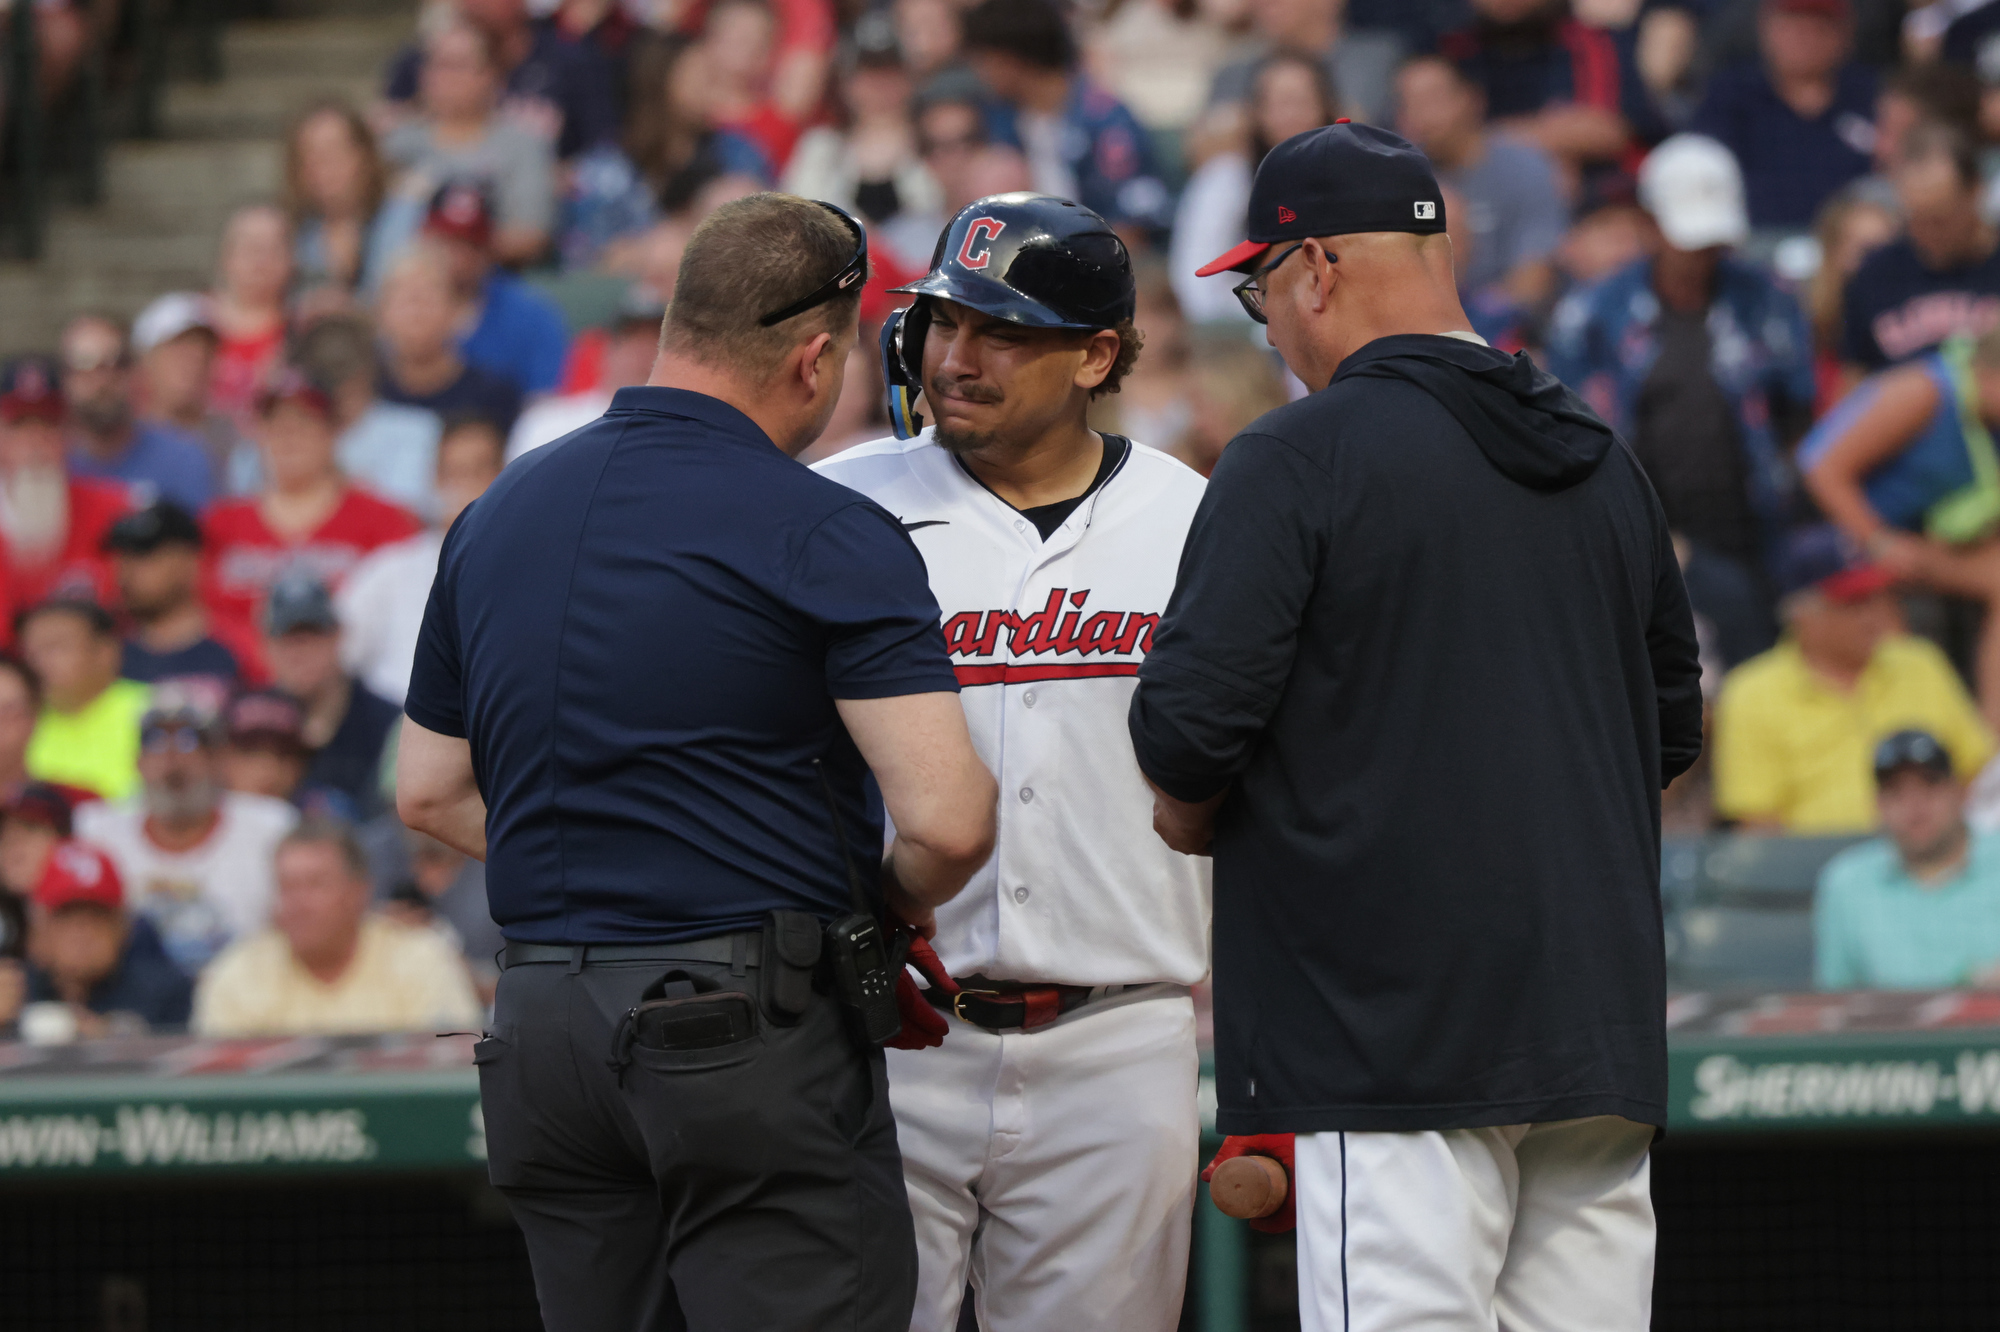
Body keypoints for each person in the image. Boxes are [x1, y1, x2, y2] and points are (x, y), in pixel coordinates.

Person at [1131, 123, 1704, 1329]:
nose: (1263, 324)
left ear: (1317, 270)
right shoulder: (1599, 457)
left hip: (1385, 1046)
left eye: (1257, 286)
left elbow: (1184, 737)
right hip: (1591, 1037)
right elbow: (1667, 736)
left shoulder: (1297, 454)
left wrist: (1198, 813)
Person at [395, 192, 997, 1330]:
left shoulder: (495, 512)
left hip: (538, 1037)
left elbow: (426, 793)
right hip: (737, 1033)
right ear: (814, 359)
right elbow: (950, 820)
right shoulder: (818, 524)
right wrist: (875, 912)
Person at [815, 193, 1210, 1332]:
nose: (958, 357)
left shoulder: (1196, 519)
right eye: (942, 323)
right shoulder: (842, 506)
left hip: (1118, 1033)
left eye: (1002, 331)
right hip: (886, 1033)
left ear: (1096, 355)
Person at [1546, 134, 1816, 578]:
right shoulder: (1590, 315)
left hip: (1758, 532)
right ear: (1649, 224)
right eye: (1689, 239)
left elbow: (1798, 415)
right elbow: (1567, 434)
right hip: (1637, 539)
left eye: (1713, 239)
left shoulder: (1770, 299)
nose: (1702, 254)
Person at [1714, 525, 1994, 833]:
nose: (1872, 615)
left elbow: (1976, 776)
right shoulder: (1751, 692)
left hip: (1932, 861)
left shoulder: (1918, 661)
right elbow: (1759, 829)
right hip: (1815, 875)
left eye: (1876, 596)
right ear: (1803, 615)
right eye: (1853, 603)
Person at [1801, 324, 2000, 727]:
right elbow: (1821, 468)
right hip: (1850, 542)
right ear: (1988, 374)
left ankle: (1989, 736)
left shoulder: (1983, 415)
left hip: (1921, 541)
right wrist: (1878, 541)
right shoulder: (1923, 391)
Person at [76, 680, 299, 975]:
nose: (172, 759)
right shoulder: (97, 831)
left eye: (189, 739)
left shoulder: (271, 827)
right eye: (154, 741)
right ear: (137, 761)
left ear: (219, 759)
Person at [192, 818, 480, 1036]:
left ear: (359, 892)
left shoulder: (421, 958)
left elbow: (449, 1068)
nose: (297, 904)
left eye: (315, 884)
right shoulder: (236, 974)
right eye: (286, 886)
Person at [199, 370, 423, 636]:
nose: (289, 435)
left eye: (303, 422)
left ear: (332, 433)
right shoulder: (219, 523)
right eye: (276, 424)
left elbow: (405, 614)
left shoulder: (384, 520)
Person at [958, 0, 1171, 235]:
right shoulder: (1001, 117)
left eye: (981, 60)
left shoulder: (1106, 121)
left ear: (1008, 59)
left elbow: (1133, 226)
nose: (978, 73)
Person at [1816, 728, 2000, 988]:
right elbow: (1834, 1003)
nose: (1914, 807)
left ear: (1959, 792)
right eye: (1896, 793)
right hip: (1889, 1027)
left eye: (1929, 785)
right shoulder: (1848, 884)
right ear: (1878, 805)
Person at [343, 414, 506, 702]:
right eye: (455, 472)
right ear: (436, 480)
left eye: (480, 470)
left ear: (505, 475)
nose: (467, 486)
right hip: (397, 726)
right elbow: (339, 655)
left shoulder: (532, 570)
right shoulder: (389, 570)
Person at [1172, 51, 1338, 325]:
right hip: (1248, 335)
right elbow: (1197, 290)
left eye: (1300, 101)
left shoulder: (1352, 178)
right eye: (1277, 103)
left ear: (1327, 106)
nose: (1290, 115)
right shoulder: (1225, 178)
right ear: (1255, 112)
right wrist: (1275, 320)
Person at [1395, 53, 1568, 315]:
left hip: (1511, 327)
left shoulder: (1524, 167)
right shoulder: (1399, 182)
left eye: (1434, 99)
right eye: (1410, 104)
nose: (1423, 116)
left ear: (1472, 99)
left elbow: (1535, 278)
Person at [380, 18, 560, 269]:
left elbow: (531, 235)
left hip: (492, 285)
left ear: (491, 74)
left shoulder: (523, 145)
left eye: (456, 65)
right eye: (435, 64)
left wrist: (456, 253)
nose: (442, 77)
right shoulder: (395, 143)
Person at [1689, 0, 1877, 232]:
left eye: (1819, 27)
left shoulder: (1872, 98)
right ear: (1765, 28)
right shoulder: (1730, 98)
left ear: (1845, 33)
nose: (1804, 37)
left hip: (1846, 248)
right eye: (1792, 25)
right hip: (1752, 246)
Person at [1842, 122, 2000, 382]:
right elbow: (1853, 386)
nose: (1927, 233)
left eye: (1940, 219)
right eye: (1915, 220)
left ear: (1975, 191)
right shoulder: (1874, 275)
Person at [1437, 0, 1661, 182]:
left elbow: (1606, 130)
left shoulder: (1585, 38)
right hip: (1485, 192)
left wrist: (1480, 142)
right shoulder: (1454, 50)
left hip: (1603, 190)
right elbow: (1436, 141)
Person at [382, 0, 620, 164]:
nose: (477, 5)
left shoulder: (571, 60)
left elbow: (603, 151)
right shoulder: (424, 60)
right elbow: (390, 130)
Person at [0, 356, 130, 625]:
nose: (35, 442)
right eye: (19, 426)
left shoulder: (114, 511)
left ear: (69, 433)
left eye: (49, 424)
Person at [261, 571, 401, 818]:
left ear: (339, 634)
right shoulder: (252, 725)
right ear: (267, 645)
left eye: (311, 635)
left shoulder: (387, 723)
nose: (298, 653)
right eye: (287, 639)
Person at [22, 839, 193, 1034]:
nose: (82, 933)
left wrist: (112, 1039)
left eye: (97, 916)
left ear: (122, 927)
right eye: (67, 917)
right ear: (40, 930)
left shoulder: (166, 994)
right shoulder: (16, 994)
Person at [420, 180, 571, 398]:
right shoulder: (402, 307)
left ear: (490, 246)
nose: (457, 258)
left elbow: (544, 407)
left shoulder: (531, 316)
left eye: (470, 243)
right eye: (445, 241)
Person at [59, 315, 216, 512]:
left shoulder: (182, 459)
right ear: (65, 378)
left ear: (134, 372)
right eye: (84, 364)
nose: (101, 380)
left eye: (115, 363)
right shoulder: (52, 464)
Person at [293, 315, 442, 519]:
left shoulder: (417, 429)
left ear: (368, 369)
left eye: (348, 370)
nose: (339, 388)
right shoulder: (289, 435)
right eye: (327, 376)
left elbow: (407, 513)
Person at [376, 241, 524, 437]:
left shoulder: (494, 395)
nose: (416, 311)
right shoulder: (362, 393)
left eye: (428, 296)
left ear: (456, 310)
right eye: (404, 298)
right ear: (380, 313)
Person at [103, 501, 254, 686]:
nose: (127, 571)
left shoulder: (240, 649)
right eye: (122, 557)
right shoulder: (106, 654)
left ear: (192, 561)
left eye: (145, 554)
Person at [507, 290, 663, 461]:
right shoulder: (548, 422)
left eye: (656, 343)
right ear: (608, 350)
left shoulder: (685, 429)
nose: (643, 354)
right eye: (632, 341)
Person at [19, 599, 150, 802]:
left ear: (105, 652)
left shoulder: (151, 710)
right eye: (31, 651)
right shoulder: (16, 721)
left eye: (55, 648)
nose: (39, 662)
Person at [1206, 0, 1405, 128]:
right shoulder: (1234, 70)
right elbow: (1202, 147)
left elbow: (1364, 129)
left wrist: (1251, 120)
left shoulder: (1377, 57)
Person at [287, 101, 398, 295]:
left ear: (365, 156)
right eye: (308, 153)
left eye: (335, 149)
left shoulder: (409, 221)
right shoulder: (290, 237)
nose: (321, 163)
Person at [130, 293, 243, 483]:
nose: (193, 360)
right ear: (146, 362)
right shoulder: (123, 441)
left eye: (203, 349)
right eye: (177, 349)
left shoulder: (233, 441)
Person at [206, 205, 296, 424]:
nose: (262, 261)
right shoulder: (187, 321)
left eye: (274, 249)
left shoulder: (306, 327)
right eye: (251, 248)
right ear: (226, 255)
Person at [217, 687, 313, 805]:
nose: (270, 769)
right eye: (252, 753)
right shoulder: (191, 815)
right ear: (219, 756)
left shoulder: (321, 815)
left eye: (285, 754)